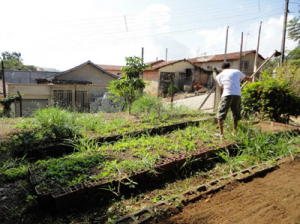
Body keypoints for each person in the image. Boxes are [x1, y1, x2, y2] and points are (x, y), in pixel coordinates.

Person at [216, 62, 252, 138]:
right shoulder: (236, 71)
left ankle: (221, 134)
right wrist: (250, 79)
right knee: (235, 113)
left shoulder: (219, 76)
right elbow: (247, 79)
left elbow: (223, 87)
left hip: (227, 95)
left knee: (221, 113)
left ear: (221, 68)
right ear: (230, 67)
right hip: (237, 95)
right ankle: (234, 132)